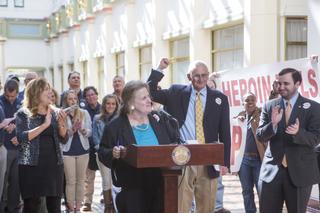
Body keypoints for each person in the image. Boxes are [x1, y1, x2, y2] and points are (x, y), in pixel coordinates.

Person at [147, 58, 231, 213]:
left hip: (208, 158)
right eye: (196, 75)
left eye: (204, 75)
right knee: (181, 205)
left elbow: (225, 132)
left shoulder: (219, 98)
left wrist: (224, 161)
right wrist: (160, 69)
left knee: (207, 206)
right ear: (189, 77)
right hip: (182, 156)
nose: (201, 79)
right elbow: (150, 92)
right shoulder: (175, 92)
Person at [98, 80, 176, 213]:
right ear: (131, 103)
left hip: (160, 182)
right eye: (143, 98)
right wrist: (114, 153)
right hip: (132, 187)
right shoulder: (115, 126)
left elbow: (171, 144)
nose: (149, 101)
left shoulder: (159, 120)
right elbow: (102, 152)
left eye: (149, 97)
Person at [256, 68, 320, 213]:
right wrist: (272, 125)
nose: (281, 87)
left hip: (300, 174)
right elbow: (260, 136)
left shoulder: (314, 108)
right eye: (279, 83)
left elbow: (315, 139)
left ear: (298, 84)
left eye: (286, 83)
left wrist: (299, 133)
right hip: (271, 173)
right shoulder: (269, 106)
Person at [15, 78, 68, 213]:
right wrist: (44, 125)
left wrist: (62, 124)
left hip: (54, 165)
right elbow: (21, 138)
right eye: (46, 89)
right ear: (36, 93)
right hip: (31, 167)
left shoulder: (56, 112)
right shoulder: (23, 113)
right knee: (31, 207)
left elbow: (64, 139)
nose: (50, 92)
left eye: (50, 89)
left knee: (55, 207)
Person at [235, 93, 266, 213]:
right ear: (243, 103)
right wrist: (237, 121)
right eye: (247, 100)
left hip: (259, 159)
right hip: (244, 161)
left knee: (262, 191)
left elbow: (271, 102)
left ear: (256, 101)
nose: (250, 102)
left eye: (253, 99)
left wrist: (273, 94)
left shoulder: (262, 114)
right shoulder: (240, 116)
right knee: (247, 191)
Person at [61, 90, 92, 212]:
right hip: (67, 152)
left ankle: (78, 207)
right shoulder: (62, 114)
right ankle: (70, 207)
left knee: (81, 180)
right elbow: (61, 135)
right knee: (70, 181)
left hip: (83, 150)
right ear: (65, 101)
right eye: (70, 99)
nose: (73, 101)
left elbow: (90, 131)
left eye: (75, 99)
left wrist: (83, 130)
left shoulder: (84, 113)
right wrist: (72, 129)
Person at [92, 94, 119, 213]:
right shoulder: (97, 118)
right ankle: (108, 208)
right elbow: (95, 138)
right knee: (106, 180)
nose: (110, 106)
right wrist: (103, 151)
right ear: (104, 105)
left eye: (113, 103)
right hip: (103, 154)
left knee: (117, 181)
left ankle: (116, 205)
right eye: (108, 103)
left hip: (118, 154)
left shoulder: (120, 119)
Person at [0, 79, 23, 213]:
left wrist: (17, 130)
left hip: (18, 145)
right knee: (3, 180)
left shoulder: (21, 102)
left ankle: (13, 207)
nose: (10, 98)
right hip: (4, 146)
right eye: (8, 96)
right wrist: (5, 127)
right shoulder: (0, 101)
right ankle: (2, 207)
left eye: (13, 96)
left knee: (16, 180)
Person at [82, 86, 101, 212]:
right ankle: (87, 202)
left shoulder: (104, 108)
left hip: (102, 147)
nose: (91, 97)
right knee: (88, 178)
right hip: (88, 147)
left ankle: (107, 198)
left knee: (107, 177)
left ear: (97, 95)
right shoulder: (83, 112)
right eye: (88, 95)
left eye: (93, 94)